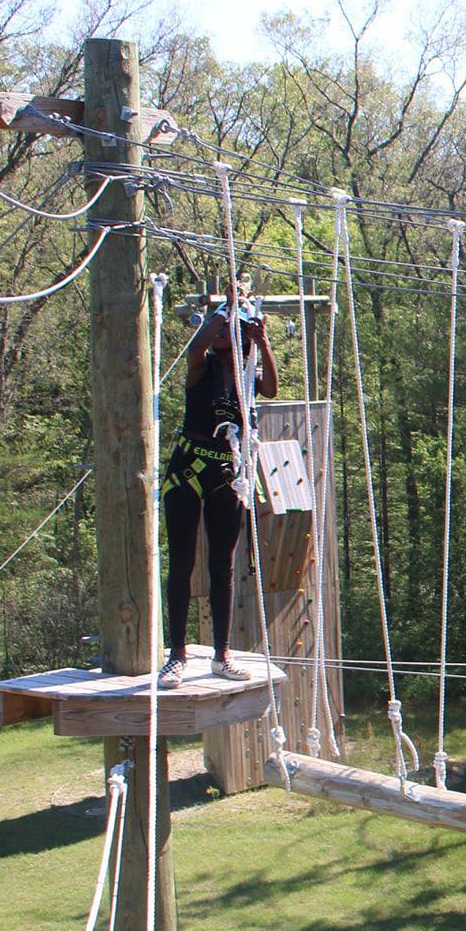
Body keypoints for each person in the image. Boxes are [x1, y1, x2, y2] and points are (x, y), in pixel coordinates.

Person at [158, 281, 278, 687]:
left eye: (238, 332)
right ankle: (176, 655)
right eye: (232, 332)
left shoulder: (247, 377)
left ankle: (221, 654)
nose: (234, 336)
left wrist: (262, 344)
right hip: (189, 468)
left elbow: (273, 389)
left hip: (226, 472)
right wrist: (225, 310)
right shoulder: (203, 366)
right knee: (182, 561)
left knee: (222, 566)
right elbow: (195, 348)